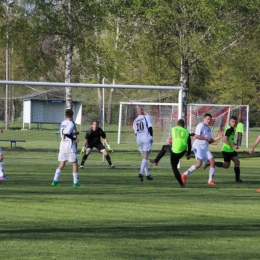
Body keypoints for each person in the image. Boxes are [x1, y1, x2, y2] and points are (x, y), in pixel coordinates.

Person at [181, 113, 223, 185]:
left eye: (210, 119)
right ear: (204, 119)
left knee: (212, 161)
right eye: (208, 119)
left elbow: (210, 141)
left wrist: (217, 138)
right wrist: (206, 138)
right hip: (198, 147)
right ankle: (184, 174)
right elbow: (196, 136)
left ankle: (210, 180)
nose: (209, 121)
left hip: (205, 148)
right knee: (199, 164)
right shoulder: (201, 125)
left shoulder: (208, 129)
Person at [204, 116, 242, 183]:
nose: (234, 123)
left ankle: (237, 180)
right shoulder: (229, 129)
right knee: (226, 166)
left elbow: (229, 139)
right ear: (229, 122)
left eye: (235, 122)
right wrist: (233, 145)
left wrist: (234, 144)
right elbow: (224, 140)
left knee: (237, 162)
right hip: (226, 150)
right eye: (233, 121)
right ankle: (211, 163)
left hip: (231, 150)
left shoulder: (233, 129)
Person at [52, 109, 81, 187]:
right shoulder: (71, 123)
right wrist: (75, 139)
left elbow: (64, 133)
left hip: (62, 146)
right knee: (75, 164)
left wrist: (74, 133)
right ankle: (75, 183)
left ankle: (54, 181)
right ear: (72, 116)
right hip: (69, 146)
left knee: (62, 164)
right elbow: (66, 133)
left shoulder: (63, 123)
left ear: (65, 115)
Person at [133, 106, 153, 181]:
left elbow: (135, 133)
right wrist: (152, 137)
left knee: (144, 158)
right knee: (145, 157)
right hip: (146, 137)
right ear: (142, 111)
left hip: (139, 139)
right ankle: (141, 173)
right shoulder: (147, 117)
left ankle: (147, 174)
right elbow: (150, 128)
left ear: (137, 112)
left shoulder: (135, 121)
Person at [170, 119, 191, 187]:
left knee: (174, 167)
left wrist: (170, 141)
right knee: (175, 164)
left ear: (177, 123)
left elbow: (175, 138)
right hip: (182, 152)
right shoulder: (187, 132)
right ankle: (181, 183)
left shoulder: (174, 129)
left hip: (175, 151)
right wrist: (188, 154)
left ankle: (181, 183)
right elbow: (190, 145)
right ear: (184, 125)